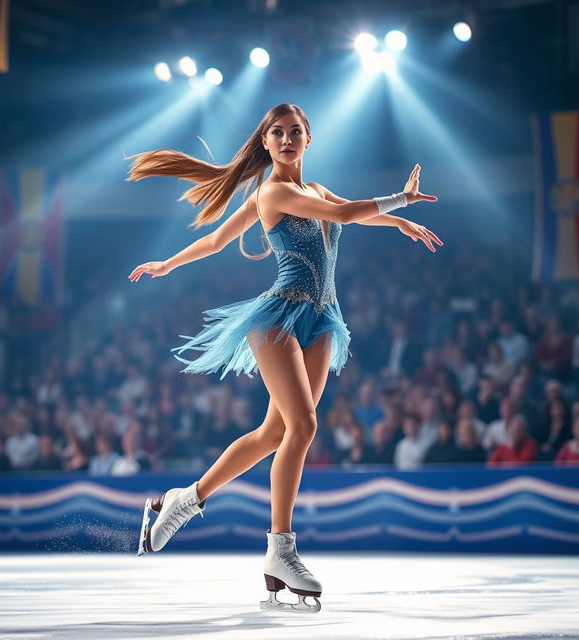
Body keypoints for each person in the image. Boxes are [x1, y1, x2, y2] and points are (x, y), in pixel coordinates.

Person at [125, 103, 440, 612]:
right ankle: (281, 549)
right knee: (305, 425)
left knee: (276, 433)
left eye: (296, 131)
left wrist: (395, 223)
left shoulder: (312, 191)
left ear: (309, 139)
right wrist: (401, 201)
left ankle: (183, 500)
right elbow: (337, 216)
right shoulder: (273, 191)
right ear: (266, 142)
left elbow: (345, 211)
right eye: (278, 132)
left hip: (322, 319)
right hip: (278, 316)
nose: (288, 139)